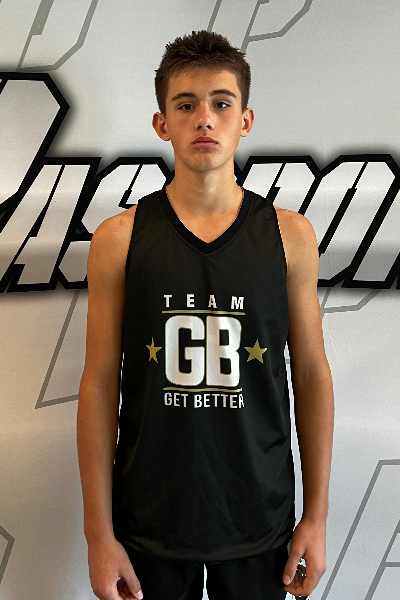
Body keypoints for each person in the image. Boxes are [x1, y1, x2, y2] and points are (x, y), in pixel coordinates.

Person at [77, 29, 334, 600]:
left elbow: (311, 372)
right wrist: (98, 533)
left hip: (260, 523)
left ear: (245, 120)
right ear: (161, 123)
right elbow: (98, 382)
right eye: (186, 105)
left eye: (221, 103)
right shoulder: (118, 239)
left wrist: (315, 517)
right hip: (149, 524)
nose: (205, 120)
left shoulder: (290, 236)